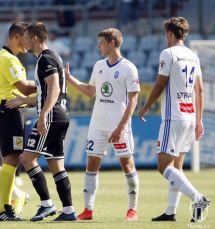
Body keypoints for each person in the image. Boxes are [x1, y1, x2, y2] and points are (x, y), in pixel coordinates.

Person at [64, 28, 140, 221]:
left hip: (119, 126)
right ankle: (88, 210)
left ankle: (133, 209)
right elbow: (91, 91)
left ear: (112, 43)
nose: (98, 46)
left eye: (101, 43)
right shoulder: (99, 65)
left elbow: (133, 101)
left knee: (127, 164)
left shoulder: (129, 68)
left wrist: (121, 127)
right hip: (97, 124)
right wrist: (69, 79)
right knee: (91, 164)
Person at [139, 17, 210, 222]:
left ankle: (197, 197)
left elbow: (160, 84)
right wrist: (199, 120)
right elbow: (201, 90)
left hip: (173, 117)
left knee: (164, 167)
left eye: (165, 34)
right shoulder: (193, 56)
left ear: (170, 33)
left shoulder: (168, 53)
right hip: (189, 116)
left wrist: (145, 107)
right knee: (176, 168)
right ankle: (170, 212)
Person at [6, 22, 77, 221]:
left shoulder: (45, 59)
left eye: (27, 38)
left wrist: (44, 114)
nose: (25, 42)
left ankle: (47, 204)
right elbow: (46, 93)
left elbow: (53, 88)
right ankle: (69, 211)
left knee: (27, 159)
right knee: (56, 165)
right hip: (60, 114)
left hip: (52, 116)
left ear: (36, 38)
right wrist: (25, 100)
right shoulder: (52, 56)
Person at [0, 22, 37, 221]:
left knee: (12, 158)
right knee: (10, 159)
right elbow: (25, 88)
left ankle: (4, 207)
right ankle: (3, 208)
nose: (29, 42)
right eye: (27, 37)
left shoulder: (9, 58)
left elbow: (22, 91)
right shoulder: (8, 59)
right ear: (17, 37)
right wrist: (49, 80)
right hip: (7, 111)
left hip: (12, 111)